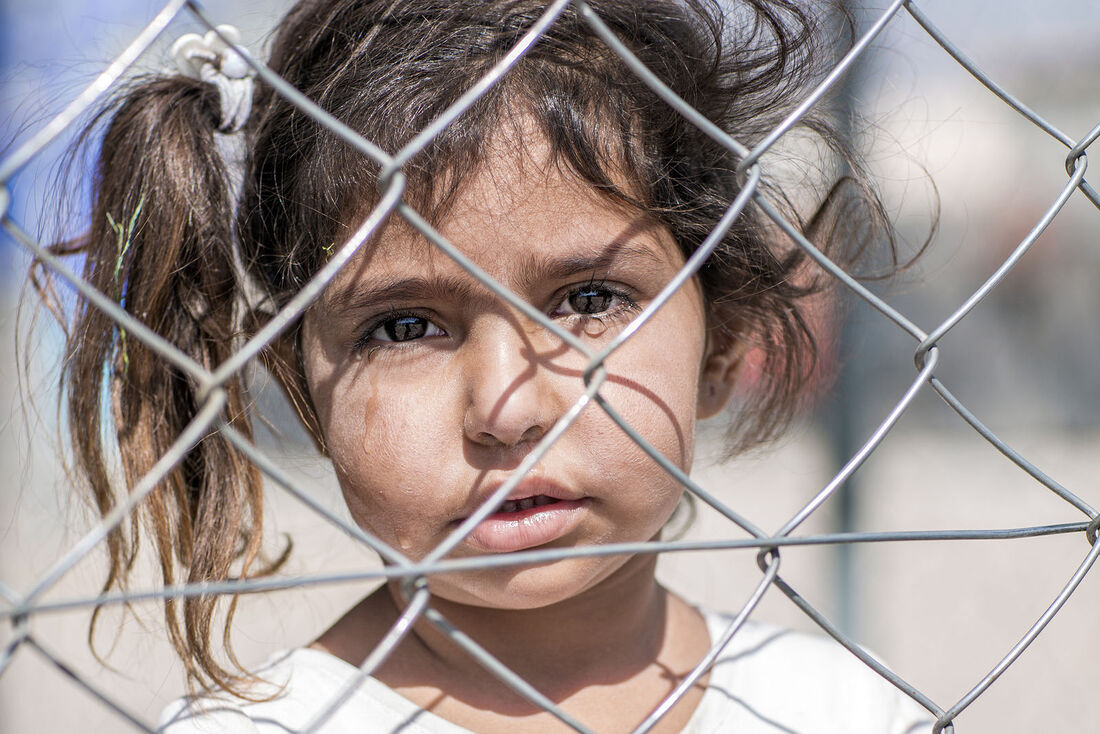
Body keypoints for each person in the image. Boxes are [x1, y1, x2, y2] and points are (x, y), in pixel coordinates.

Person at [40, 0, 932, 731]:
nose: (505, 410)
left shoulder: (844, 708)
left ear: (722, 342)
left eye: (589, 300)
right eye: (403, 327)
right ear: (301, 388)